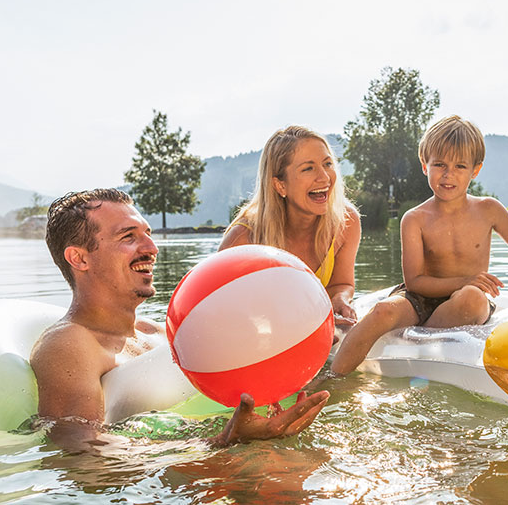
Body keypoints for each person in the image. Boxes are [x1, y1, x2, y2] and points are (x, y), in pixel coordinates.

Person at [31, 188, 329, 450]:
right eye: (128, 237)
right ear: (79, 258)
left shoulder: (159, 333)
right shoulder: (69, 344)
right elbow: (78, 448)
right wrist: (220, 443)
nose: (151, 248)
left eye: (148, 234)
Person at [331, 115, 508, 374]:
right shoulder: (414, 219)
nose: (448, 174)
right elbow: (415, 282)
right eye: (439, 164)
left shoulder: (489, 210)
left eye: (460, 166)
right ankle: (333, 380)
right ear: (424, 165)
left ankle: (421, 335)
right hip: (420, 297)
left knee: (473, 298)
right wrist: (466, 279)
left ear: (475, 170)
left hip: (464, 299)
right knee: (383, 310)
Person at [220, 126, 361, 324]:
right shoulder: (242, 240)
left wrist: (340, 299)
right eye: (308, 168)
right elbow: (223, 314)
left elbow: (342, 283)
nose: (325, 177)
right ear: (280, 185)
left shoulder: (346, 221)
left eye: (327, 164)